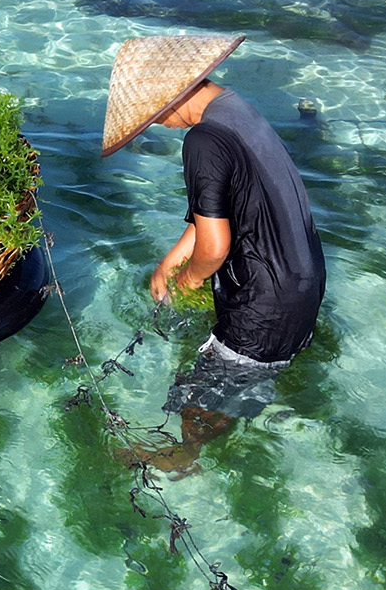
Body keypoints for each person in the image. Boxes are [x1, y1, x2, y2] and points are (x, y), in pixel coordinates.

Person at [100, 34, 326, 473]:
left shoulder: (202, 140)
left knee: (204, 387)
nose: (158, 125)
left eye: (153, 114)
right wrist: (171, 261)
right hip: (303, 281)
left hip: (264, 301)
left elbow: (216, 246)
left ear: (173, 96)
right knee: (243, 379)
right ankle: (220, 437)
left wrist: (190, 279)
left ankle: (187, 454)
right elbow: (218, 209)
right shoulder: (237, 110)